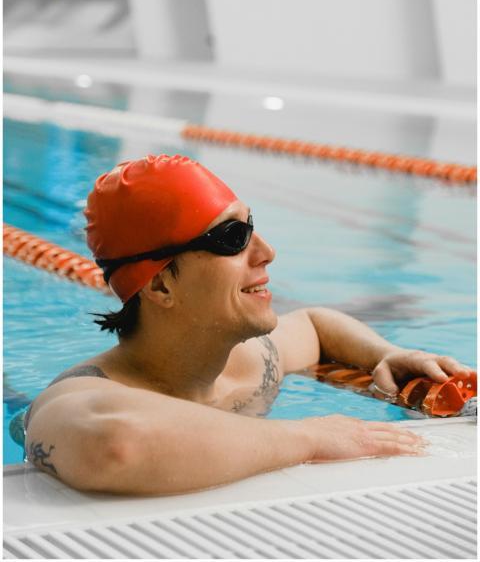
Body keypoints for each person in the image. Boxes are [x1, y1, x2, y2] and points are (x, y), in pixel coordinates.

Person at [25, 154, 472, 495]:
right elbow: (116, 446)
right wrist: (310, 437)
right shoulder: (82, 397)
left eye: (251, 227)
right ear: (160, 285)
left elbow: (314, 326)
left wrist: (383, 354)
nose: (267, 251)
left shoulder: (251, 363)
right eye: (231, 238)